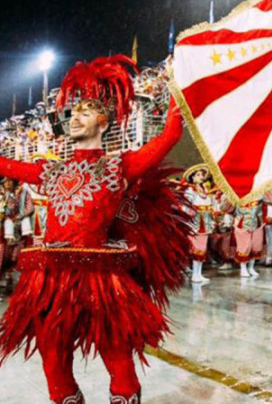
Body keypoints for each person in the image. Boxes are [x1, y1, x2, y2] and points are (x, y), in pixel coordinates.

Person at [0, 55, 190, 403]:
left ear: (104, 122)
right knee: (52, 359)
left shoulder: (121, 165)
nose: (74, 118)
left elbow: (170, 135)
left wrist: (180, 85)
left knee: (118, 358)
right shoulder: (50, 171)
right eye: (73, 113)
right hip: (50, 281)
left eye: (85, 112)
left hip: (102, 282)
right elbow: (4, 164)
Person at [183, 164, 215, 283]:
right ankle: (195, 274)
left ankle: (198, 273)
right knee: (197, 249)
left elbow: (212, 206)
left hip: (205, 223)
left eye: (201, 175)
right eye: (198, 175)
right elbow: (185, 207)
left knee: (202, 248)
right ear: (192, 178)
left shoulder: (205, 190)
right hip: (196, 223)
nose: (201, 177)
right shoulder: (190, 191)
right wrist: (189, 215)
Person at [234, 199, 265, 278]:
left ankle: (251, 267)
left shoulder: (259, 196)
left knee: (255, 245)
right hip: (243, 224)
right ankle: (243, 268)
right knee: (244, 246)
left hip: (256, 223)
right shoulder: (238, 196)